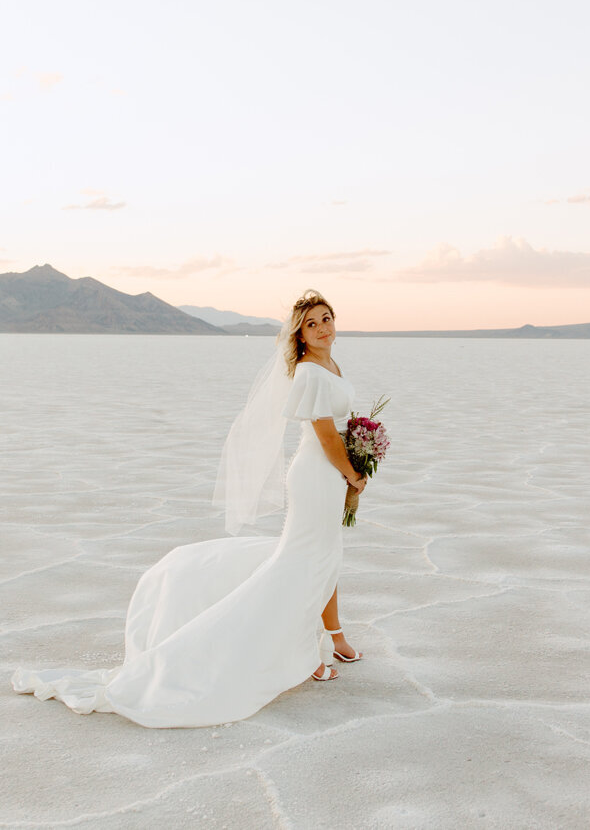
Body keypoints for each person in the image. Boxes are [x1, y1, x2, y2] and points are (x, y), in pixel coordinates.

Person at [12, 290, 366, 728]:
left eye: (328, 318)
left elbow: (345, 428)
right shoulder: (311, 372)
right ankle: (302, 653)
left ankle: (335, 637)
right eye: (313, 323)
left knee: (324, 556)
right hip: (318, 473)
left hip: (330, 475)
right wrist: (354, 474)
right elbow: (328, 436)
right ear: (300, 335)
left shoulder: (332, 364)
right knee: (303, 561)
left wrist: (356, 463)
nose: (324, 327)